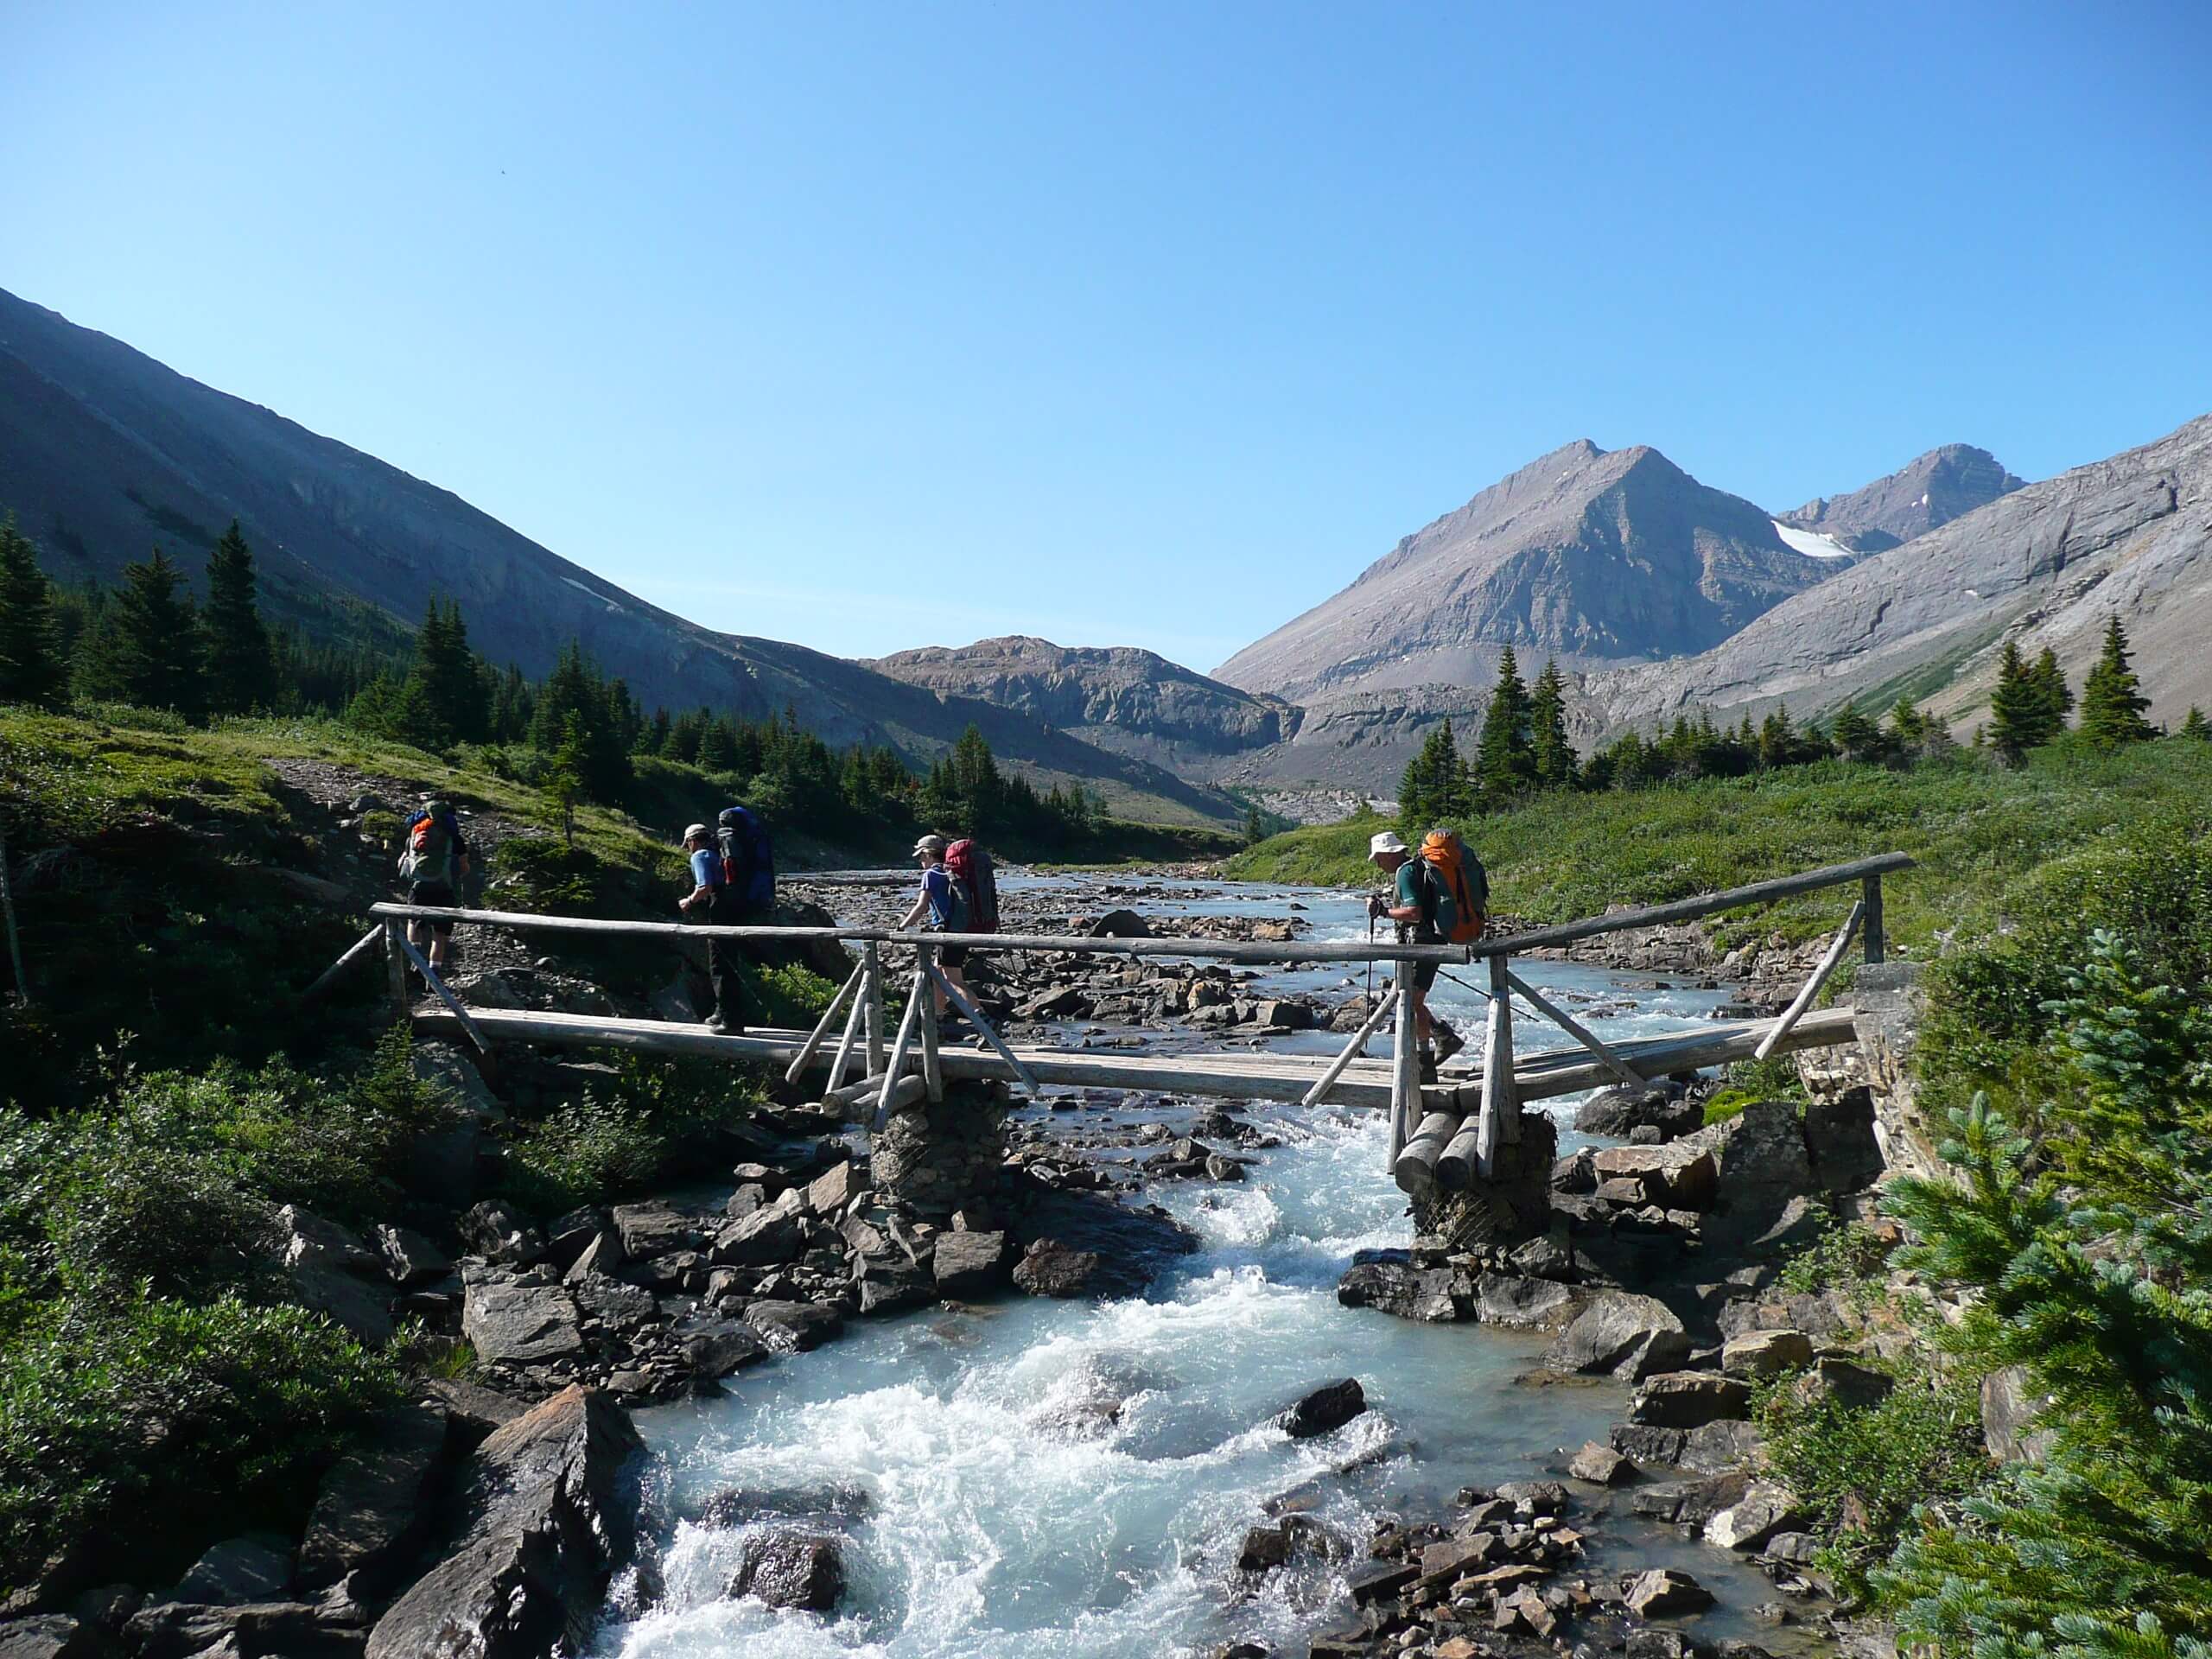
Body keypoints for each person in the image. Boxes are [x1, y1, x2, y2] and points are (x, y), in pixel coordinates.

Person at [1365, 829, 1465, 1078]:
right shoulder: (1415, 867)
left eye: (1378, 857)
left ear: (1390, 855)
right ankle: (1442, 1039)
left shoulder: (1406, 872)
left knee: (1411, 1001)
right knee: (1411, 1000)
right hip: (1429, 941)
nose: (1377, 863)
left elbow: (1414, 913)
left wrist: (1383, 912)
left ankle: (1425, 1064)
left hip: (1422, 944)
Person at [899, 833, 972, 1037]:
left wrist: (901, 927)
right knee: (939, 975)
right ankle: (937, 1020)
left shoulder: (931, 875)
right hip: (960, 929)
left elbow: (921, 906)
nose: (920, 861)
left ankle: (985, 1021)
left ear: (929, 854)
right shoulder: (952, 872)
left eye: (921, 856)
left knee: (954, 980)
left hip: (947, 932)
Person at [678, 821, 747, 1033]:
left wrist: (688, 902)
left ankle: (731, 1021)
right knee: (729, 962)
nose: (688, 848)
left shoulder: (700, 856)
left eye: (688, 844)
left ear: (692, 841)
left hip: (720, 912)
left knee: (719, 966)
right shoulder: (720, 854)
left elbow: (705, 887)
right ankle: (720, 1012)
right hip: (735, 910)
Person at [399, 796, 471, 979]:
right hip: (444, 889)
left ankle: (415, 959)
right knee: (439, 933)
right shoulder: (454, 838)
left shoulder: (416, 833)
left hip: (419, 886)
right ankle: (434, 972)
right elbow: (464, 868)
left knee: (412, 921)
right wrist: (452, 876)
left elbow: (403, 861)